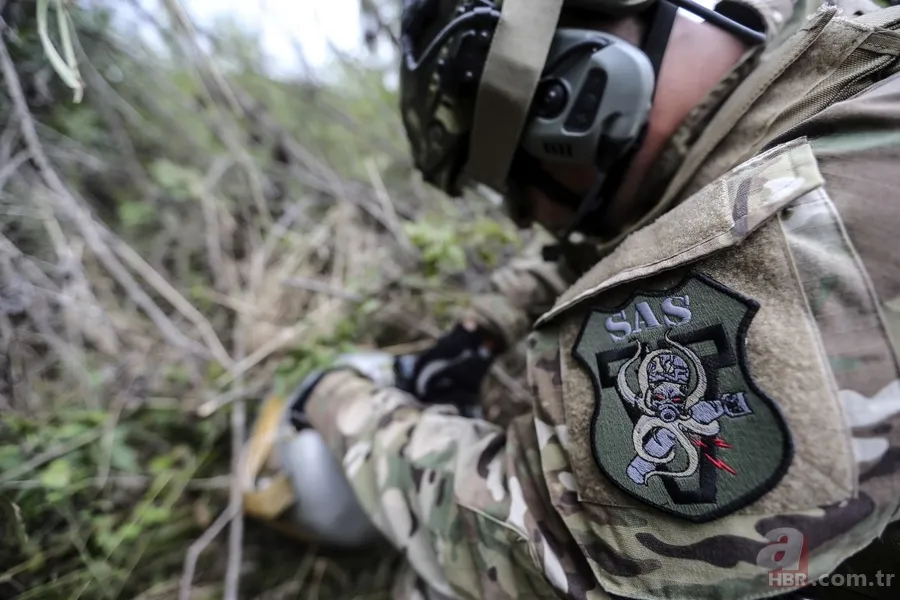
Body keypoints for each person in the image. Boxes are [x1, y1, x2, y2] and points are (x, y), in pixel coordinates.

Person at [249, 0, 900, 598]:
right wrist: (476, 335)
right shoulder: (800, 69)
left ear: (577, 104)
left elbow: (546, 543)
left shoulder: (808, 235)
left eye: (513, 184)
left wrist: (341, 404)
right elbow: (638, 235)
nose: (525, 218)